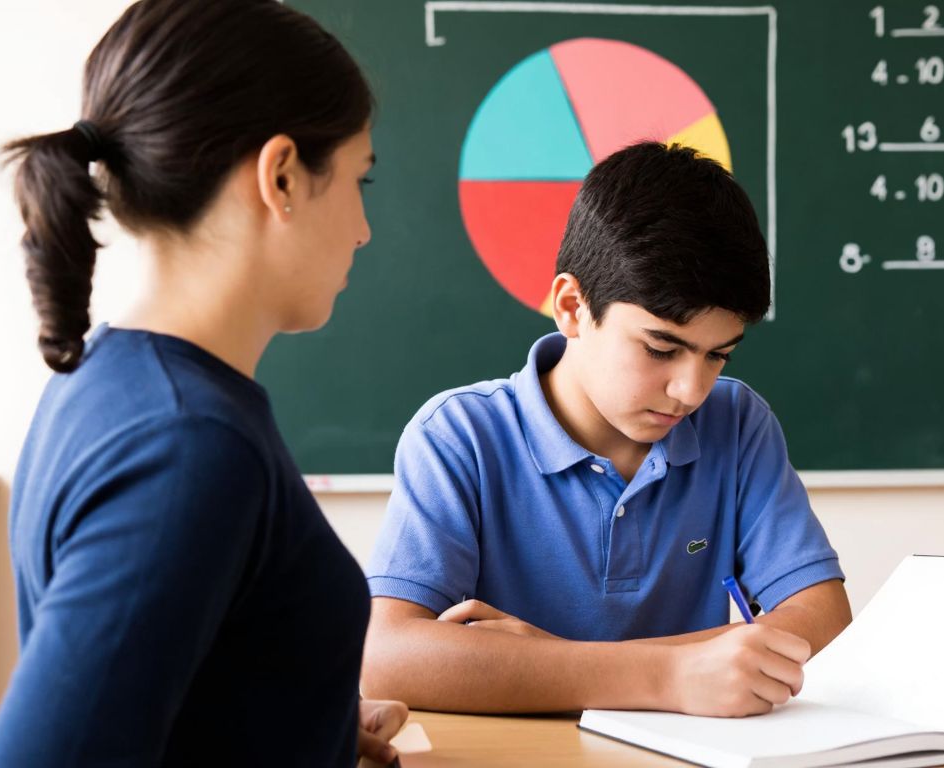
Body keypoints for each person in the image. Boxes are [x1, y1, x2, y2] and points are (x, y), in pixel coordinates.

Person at [0, 0, 406, 764]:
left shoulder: (113, 379)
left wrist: (306, 724)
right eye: (358, 180)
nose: (364, 229)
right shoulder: (189, 445)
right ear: (281, 175)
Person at [361, 142, 852, 717]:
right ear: (571, 306)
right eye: (661, 347)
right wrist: (669, 676)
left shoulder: (738, 425)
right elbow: (387, 656)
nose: (692, 391)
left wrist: (552, 663)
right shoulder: (459, 436)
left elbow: (824, 621)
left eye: (719, 355)